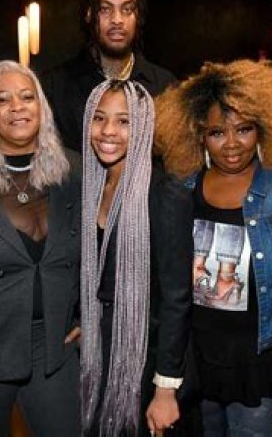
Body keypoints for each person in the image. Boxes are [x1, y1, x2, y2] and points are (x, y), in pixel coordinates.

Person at [154, 59, 272, 436]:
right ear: (198, 135)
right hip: (200, 360)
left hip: (261, 360)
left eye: (244, 129)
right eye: (217, 133)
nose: (232, 143)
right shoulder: (185, 189)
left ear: (263, 128)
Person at [0, 60, 82, 436]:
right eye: (2, 100)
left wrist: (87, 314)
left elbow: (98, 247)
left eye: (27, 97)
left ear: (42, 106)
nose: (17, 107)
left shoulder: (72, 171)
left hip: (53, 346)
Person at [79, 79, 193, 436]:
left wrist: (165, 389)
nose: (108, 131)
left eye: (124, 121)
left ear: (144, 126)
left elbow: (177, 298)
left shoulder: (165, 194)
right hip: (98, 346)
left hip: (146, 353)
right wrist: (84, 316)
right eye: (99, 118)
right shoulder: (91, 186)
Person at [41, 0, 176, 153]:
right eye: (105, 9)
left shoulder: (165, 87)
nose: (117, 20)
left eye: (127, 9)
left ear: (138, 17)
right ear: (89, 14)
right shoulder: (54, 87)